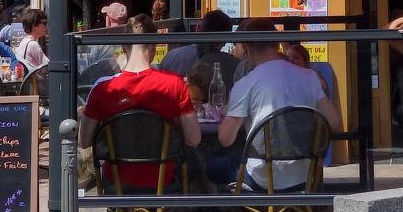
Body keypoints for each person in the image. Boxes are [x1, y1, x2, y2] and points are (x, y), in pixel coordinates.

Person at [80, 15, 201, 188]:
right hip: (162, 183)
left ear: (123, 48)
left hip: (117, 183)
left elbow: (84, 141)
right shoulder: (174, 84)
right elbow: (194, 139)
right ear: (154, 47)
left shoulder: (103, 88)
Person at [216, 24, 340, 190]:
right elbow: (334, 123)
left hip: (262, 178)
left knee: (213, 168)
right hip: (305, 173)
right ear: (277, 45)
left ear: (247, 48)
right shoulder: (309, 77)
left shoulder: (246, 83)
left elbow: (225, 139)